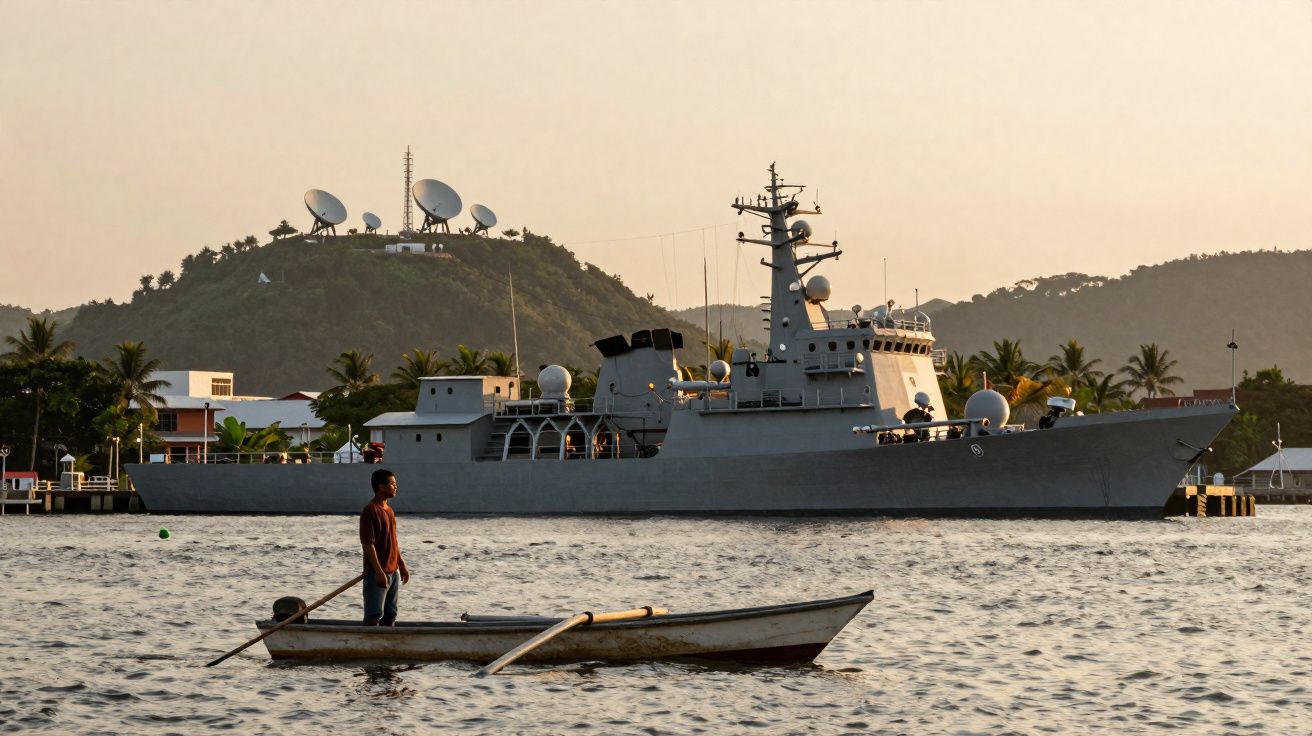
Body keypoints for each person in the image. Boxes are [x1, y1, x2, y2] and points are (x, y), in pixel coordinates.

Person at [360, 469, 409, 626]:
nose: (396, 487)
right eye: (392, 484)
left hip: (392, 572)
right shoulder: (370, 510)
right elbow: (367, 543)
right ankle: (368, 646)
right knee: (374, 614)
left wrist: (401, 565)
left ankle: (386, 646)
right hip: (376, 573)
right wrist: (379, 572)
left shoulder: (389, 511)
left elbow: (393, 540)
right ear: (381, 486)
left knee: (390, 614)